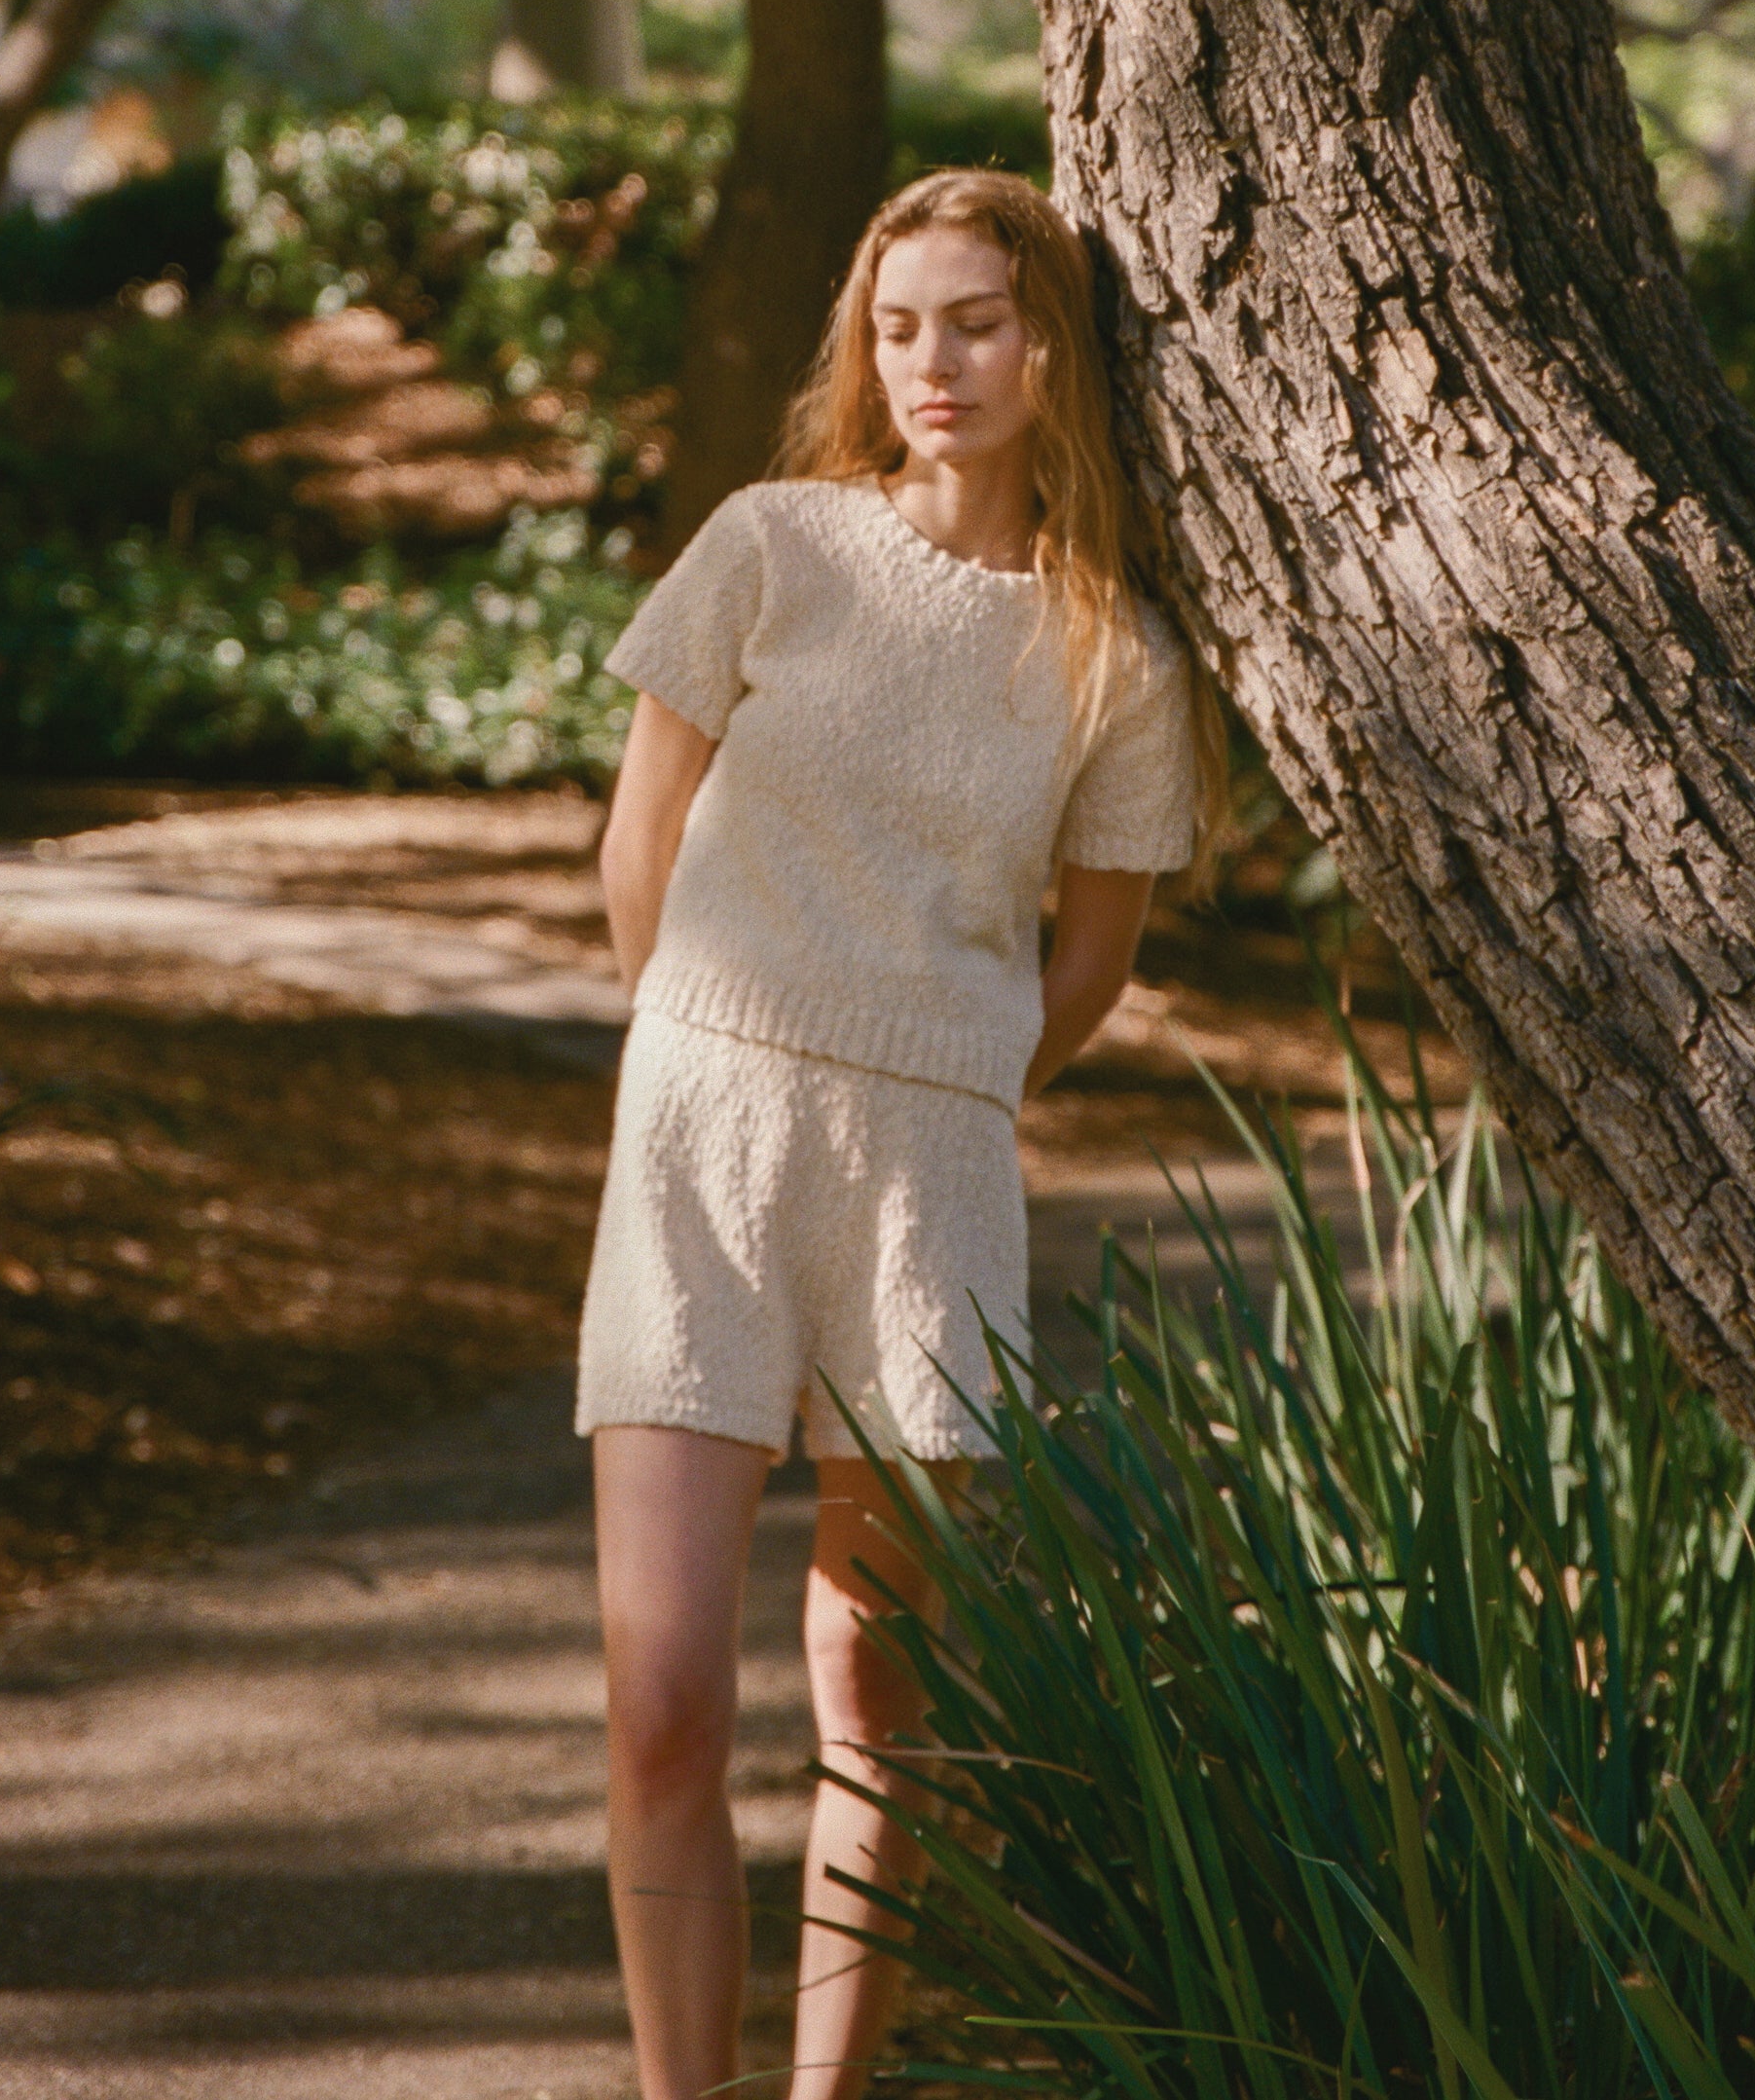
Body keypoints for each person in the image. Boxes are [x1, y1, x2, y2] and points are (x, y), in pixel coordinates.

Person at [579, 168, 1222, 2100]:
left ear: (1055, 352)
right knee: (664, 1702)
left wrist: (943, 1072)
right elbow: (637, 834)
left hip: (930, 1172)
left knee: (883, 1702)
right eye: (900, 323)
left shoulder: (1120, 657)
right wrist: (693, 1036)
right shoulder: (771, 545)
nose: (933, 361)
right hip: (701, 1130)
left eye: (979, 321)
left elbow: (1090, 958)